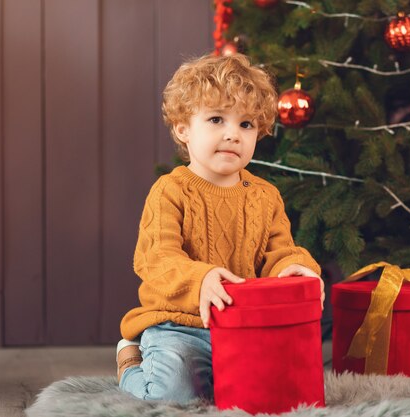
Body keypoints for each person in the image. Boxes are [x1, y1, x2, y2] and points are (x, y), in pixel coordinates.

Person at [117, 53, 323, 403]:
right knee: (175, 393)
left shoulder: (265, 196)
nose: (233, 134)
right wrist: (202, 279)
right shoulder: (171, 190)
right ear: (183, 129)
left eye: (246, 125)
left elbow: (279, 252)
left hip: (245, 327)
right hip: (181, 325)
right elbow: (156, 260)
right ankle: (130, 362)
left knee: (270, 390)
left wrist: (295, 268)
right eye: (216, 119)